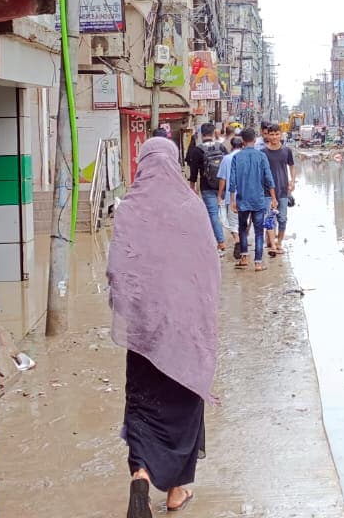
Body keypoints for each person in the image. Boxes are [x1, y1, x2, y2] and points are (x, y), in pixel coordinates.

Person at [109, 138, 219, 518]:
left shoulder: (130, 207)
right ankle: (175, 491)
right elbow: (208, 270)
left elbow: (117, 271)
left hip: (144, 336)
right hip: (186, 334)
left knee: (142, 408)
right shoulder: (191, 207)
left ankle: (140, 473)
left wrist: (129, 311)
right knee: (185, 405)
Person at [228, 128, 277, 271]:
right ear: (255, 140)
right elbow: (269, 178)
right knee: (259, 231)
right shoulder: (261, 156)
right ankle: (258, 263)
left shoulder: (237, 157)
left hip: (242, 199)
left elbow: (232, 182)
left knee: (242, 229)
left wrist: (232, 201)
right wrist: (273, 197)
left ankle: (244, 258)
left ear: (242, 140)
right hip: (258, 200)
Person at [185, 123, 227, 252]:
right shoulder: (221, 147)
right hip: (222, 185)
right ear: (214, 133)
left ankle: (221, 242)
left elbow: (194, 171)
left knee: (213, 214)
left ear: (202, 134)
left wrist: (192, 187)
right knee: (223, 213)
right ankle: (228, 237)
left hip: (206, 186)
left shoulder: (198, 150)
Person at [261, 123, 296, 255]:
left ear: (280, 135)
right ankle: (273, 245)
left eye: (277, 134)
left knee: (282, 218)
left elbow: (292, 166)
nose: (274, 137)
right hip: (267, 192)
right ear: (267, 135)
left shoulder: (287, 151)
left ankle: (279, 242)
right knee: (269, 218)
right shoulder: (263, 153)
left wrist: (292, 181)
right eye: (272, 134)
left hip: (283, 191)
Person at [216, 135, 246, 256]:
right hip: (246, 195)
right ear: (242, 145)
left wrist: (219, 194)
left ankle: (238, 240)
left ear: (232, 146)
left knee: (233, 222)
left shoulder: (226, 159)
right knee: (244, 221)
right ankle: (242, 242)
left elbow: (223, 179)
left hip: (231, 196)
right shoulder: (245, 158)